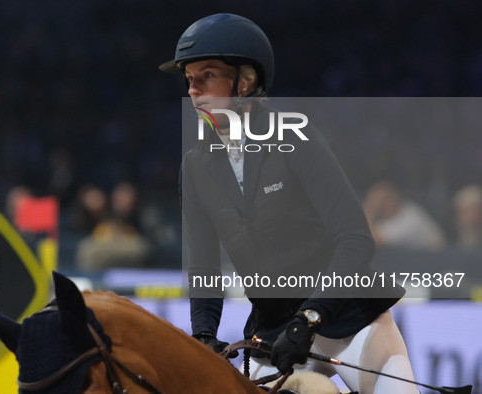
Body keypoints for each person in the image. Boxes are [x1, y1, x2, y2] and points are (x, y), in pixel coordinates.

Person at [160, 13, 418, 393]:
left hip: (348, 318)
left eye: (207, 76)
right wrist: (203, 335)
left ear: (246, 81)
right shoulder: (195, 166)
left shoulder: (297, 139)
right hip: (274, 334)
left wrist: (309, 318)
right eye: (189, 80)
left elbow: (355, 239)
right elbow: (203, 266)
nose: (193, 91)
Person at [362, 180, 446, 250]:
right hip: (416, 262)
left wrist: (370, 208)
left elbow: (373, 239)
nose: (384, 205)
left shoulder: (411, 216)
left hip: (437, 262)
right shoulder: (389, 218)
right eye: (381, 202)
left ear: (397, 198)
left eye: (388, 199)